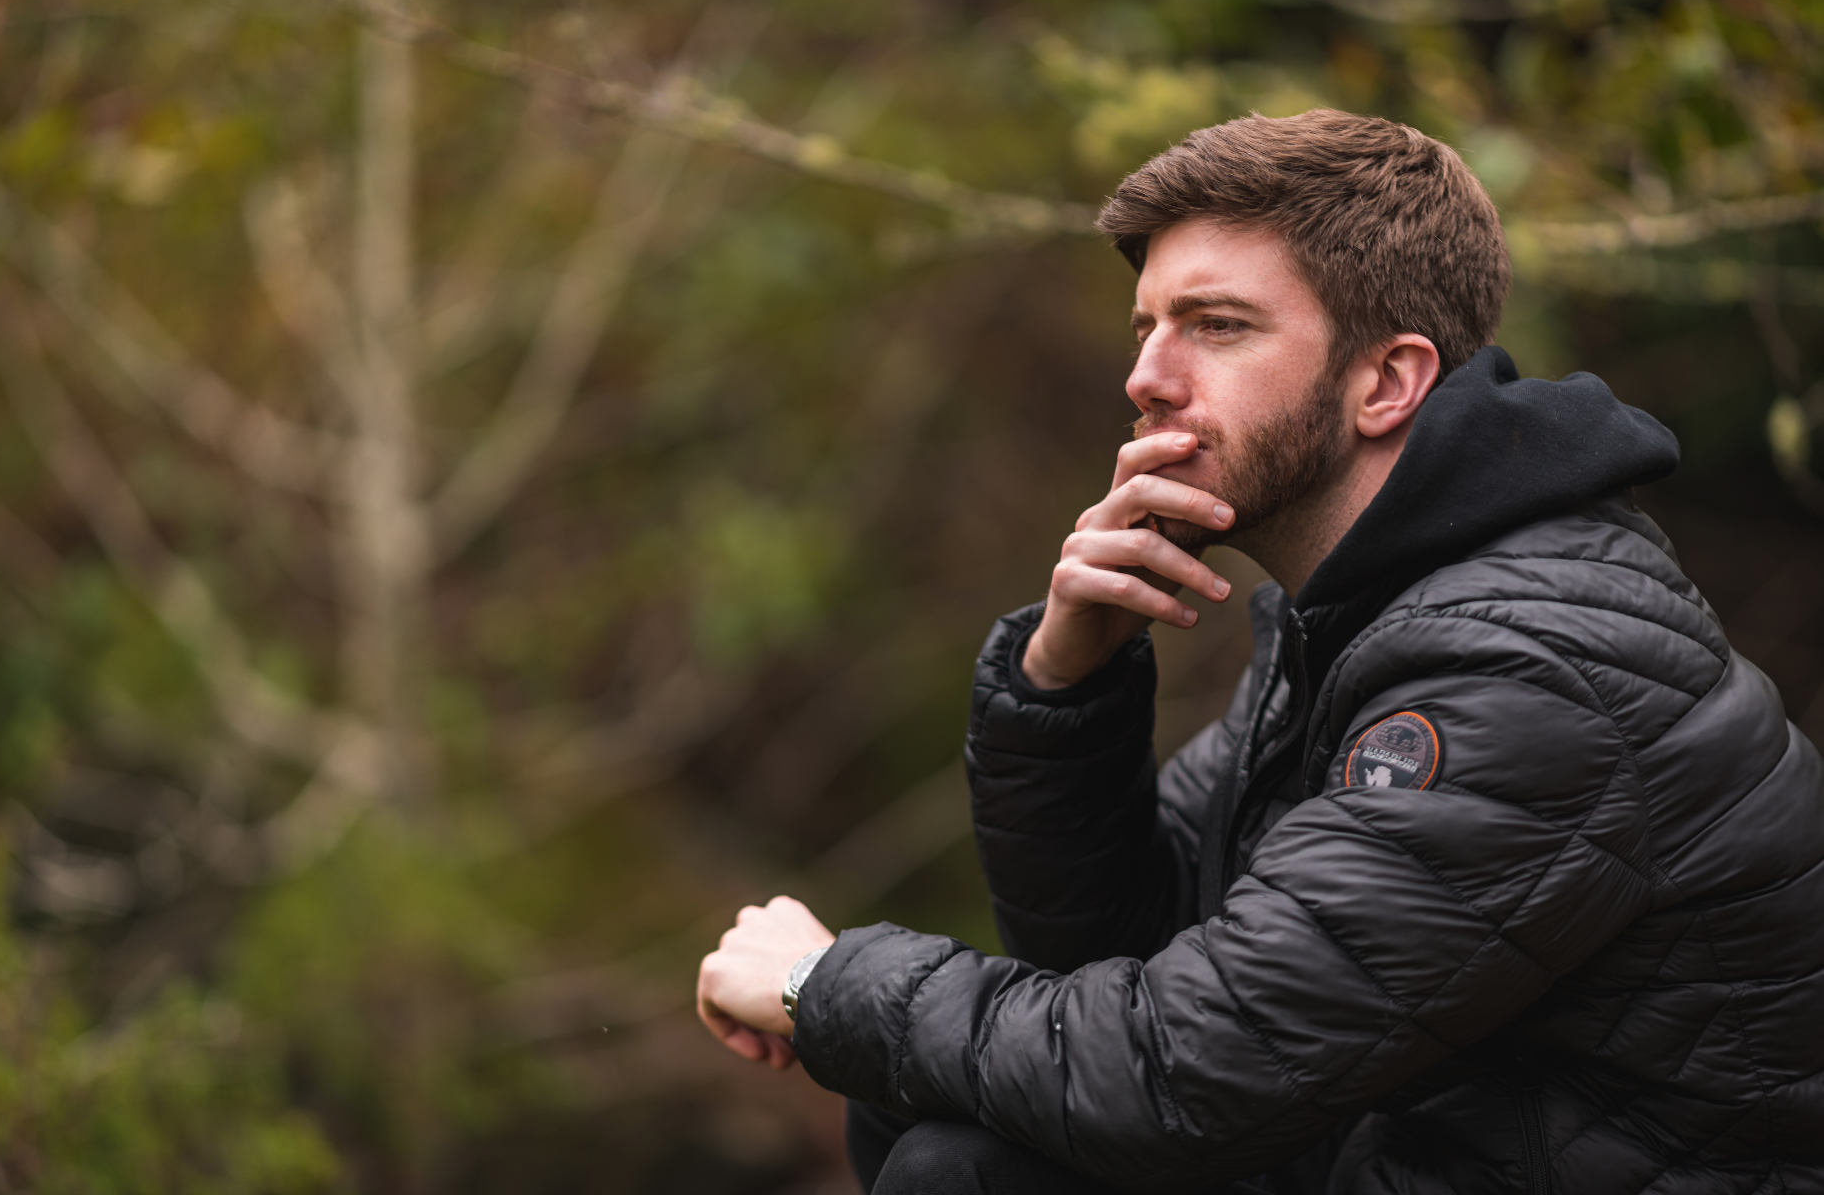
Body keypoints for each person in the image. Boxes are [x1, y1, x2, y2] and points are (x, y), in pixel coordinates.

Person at [694, 110, 1823, 1195]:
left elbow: (1178, 1074)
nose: (1147, 376)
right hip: (1403, 1155)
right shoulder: (1362, 618)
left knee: (961, 1157)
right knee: (924, 1103)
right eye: (1146, 327)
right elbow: (1115, 957)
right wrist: (1066, 690)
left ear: (1387, 382)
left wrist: (819, 983)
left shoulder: (1524, 665)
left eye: (1217, 325)